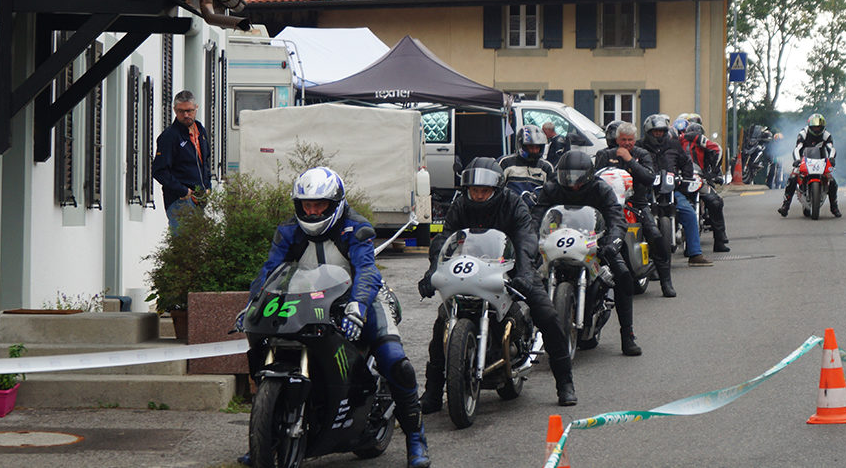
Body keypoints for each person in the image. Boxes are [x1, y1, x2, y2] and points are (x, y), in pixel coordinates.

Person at [237, 167, 430, 467]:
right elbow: (270, 271)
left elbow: (367, 270)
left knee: (395, 361)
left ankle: (416, 438)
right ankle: (266, 437)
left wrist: (358, 306)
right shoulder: (288, 231)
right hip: (310, 301)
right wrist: (253, 302)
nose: (312, 212)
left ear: (335, 202)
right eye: (307, 206)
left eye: (319, 205)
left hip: (358, 300)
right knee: (264, 346)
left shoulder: (356, 228)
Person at [417, 158, 578, 410]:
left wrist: (525, 273)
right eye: (474, 191)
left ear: (496, 189)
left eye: (484, 191)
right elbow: (444, 239)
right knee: (442, 321)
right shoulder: (459, 206)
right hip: (472, 269)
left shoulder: (513, 204)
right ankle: (433, 392)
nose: (479, 196)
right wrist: (432, 272)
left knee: (547, 314)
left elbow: (526, 239)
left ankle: (565, 383)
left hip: (512, 269)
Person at [534, 151, 645, 354]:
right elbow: (537, 216)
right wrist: (532, 240)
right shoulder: (551, 189)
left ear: (588, 175)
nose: (572, 182)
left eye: (577, 177)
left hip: (595, 241)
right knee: (526, 275)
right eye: (567, 176)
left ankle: (627, 334)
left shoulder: (601, 189)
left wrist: (612, 243)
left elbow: (615, 217)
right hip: (556, 241)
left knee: (623, 275)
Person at [594, 121, 676, 297]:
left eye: (630, 140)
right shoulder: (604, 155)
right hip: (610, 205)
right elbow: (595, 178)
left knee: (655, 235)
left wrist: (629, 160)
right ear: (617, 139)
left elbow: (648, 177)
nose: (627, 143)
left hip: (637, 204)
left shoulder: (642, 154)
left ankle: (666, 282)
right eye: (624, 140)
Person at [638, 114, 712, 267]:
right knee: (637, 217)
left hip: (672, 189)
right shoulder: (640, 146)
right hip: (648, 191)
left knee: (690, 214)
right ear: (648, 132)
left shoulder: (673, 145)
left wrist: (684, 180)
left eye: (661, 131)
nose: (658, 134)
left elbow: (686, 163)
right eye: (655, 131)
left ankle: (695, 254)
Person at [153, 90, 211, 231]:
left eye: (189, 111)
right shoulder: (169, 137)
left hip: (199, 199)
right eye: (181, 111)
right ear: (174, 110)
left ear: (196, 108)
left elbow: (206, 161)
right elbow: (159, 170)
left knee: (196, 245)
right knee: (184, 245)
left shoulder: (200, 131)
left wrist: (208, 186)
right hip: (180, 200)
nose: (186, 115)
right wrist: (183, 191)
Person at [778, 113, 840, 218]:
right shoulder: (803, 133)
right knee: (793, 177)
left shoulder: (827, 135)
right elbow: (797, 148)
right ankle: (785, 206)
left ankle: (834, 207)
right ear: (810, 126)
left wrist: (832, 158)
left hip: (821, 160)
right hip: (804, 160)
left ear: (823, 127)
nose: (816, 129)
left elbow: (831, 148)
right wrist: (797, 159)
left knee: (832, 182)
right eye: (814, 127)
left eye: (819, 127)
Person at [679, 123, 730, 252]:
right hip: (682, 178)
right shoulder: (679, 141)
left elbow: (717, 151)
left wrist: (714, 173)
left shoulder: (704, 144)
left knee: (716, 202)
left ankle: (720, 240)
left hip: (700, 178)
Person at [499, 124, 555, 199]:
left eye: (537, 147)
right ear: (522, 145)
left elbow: (551, 194)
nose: (534, 151)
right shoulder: (505, 163)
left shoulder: (546, 167)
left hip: (536, 208)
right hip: (512, 207)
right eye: (531, 147)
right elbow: (497, 189)